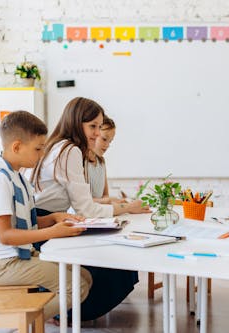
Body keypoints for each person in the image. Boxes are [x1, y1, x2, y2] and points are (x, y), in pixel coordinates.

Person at [30, 97, 147, 321]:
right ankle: (68, 312)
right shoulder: (70, 150)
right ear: (76, 122)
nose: (96, 134)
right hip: (46, 227)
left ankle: (66, 309)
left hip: (46, 221)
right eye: (92, 126)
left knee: (111, 255)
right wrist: (126, 209)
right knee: (115, 261)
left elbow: (87, 204)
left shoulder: (58, 145)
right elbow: (87, 208)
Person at [0, 110, 92, 322]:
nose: (41, 156)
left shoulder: (15, 175)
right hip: (5, 264)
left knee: (83, 275)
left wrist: (55, 218)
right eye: (38, 149)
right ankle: (17, 324)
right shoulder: (0, 180)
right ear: (16, 147)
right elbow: (6, 235)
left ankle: (29, 320)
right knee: (76, 286)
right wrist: (52, 232)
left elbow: (26, 222)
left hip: (18, 257)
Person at [86, 116, 125, 204]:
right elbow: (81, 201)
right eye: (104, 139)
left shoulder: (101, 162)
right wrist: (109, 201)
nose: (107, 145)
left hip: (99, 214)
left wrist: (116, 201)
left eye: (110, 141)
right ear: (94, 134)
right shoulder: (80, 160)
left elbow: (105, 195)